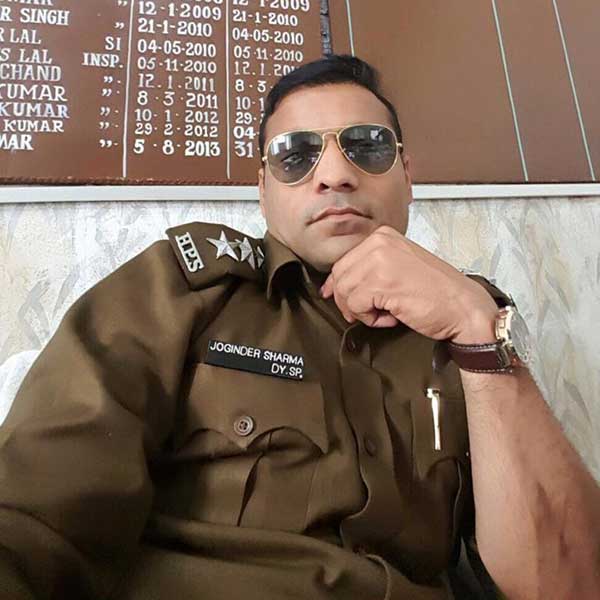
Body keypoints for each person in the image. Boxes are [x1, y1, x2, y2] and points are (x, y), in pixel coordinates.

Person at [1, 54, 599, 600]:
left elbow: (568, 581)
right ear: (263, 189)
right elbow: (33, 518)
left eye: (367, 147)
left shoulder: (469, 327)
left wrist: (475, 328)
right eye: (295, 155)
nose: (334, 174)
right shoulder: (181, 291)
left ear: (407, 173)